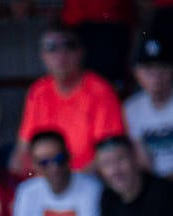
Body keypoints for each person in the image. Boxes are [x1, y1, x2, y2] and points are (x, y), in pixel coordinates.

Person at [11, 25, 126, 175]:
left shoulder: (100, 90)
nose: (61, 55)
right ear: (43, 56)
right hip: (46, 180)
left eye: (69, 46)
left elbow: (108, 153)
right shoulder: (38, 91)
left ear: (81, 52)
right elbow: (23, 148)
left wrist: (70, 185)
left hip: (87, 179)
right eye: (52, 48)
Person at [124, 36, 173, 178]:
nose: (156, 76)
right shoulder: (132, 108)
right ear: (137, 73)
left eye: (162, 67)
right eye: (148, 69)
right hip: (154, 183)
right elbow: (142, 159)